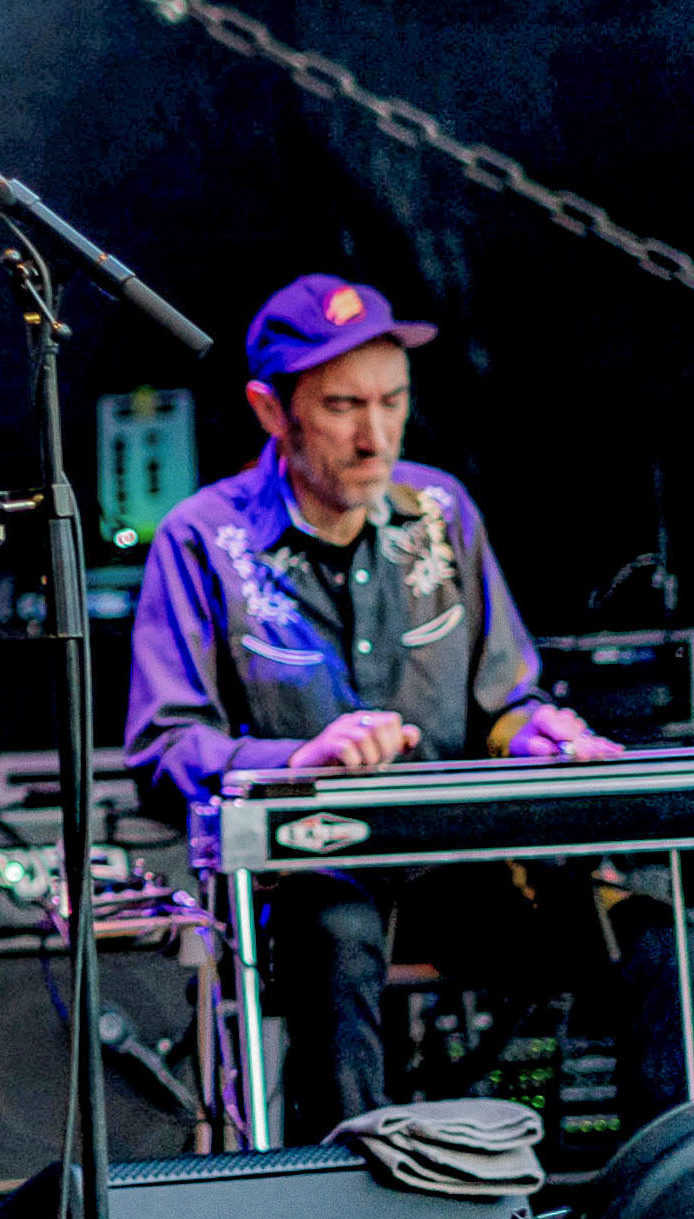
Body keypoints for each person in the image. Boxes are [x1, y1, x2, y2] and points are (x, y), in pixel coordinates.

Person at [126, 273, 681, 1140]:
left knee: (651, 934)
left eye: (392, 400)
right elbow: (164, 748)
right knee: (335, 933)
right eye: (344, 406)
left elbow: (505, 700)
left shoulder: (442, 511)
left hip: (464, 875)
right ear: (272, 411)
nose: (375, 435)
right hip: (314, 876)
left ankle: (660, 1210)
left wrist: (540, 734)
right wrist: (296, 760)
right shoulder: (204, 537)